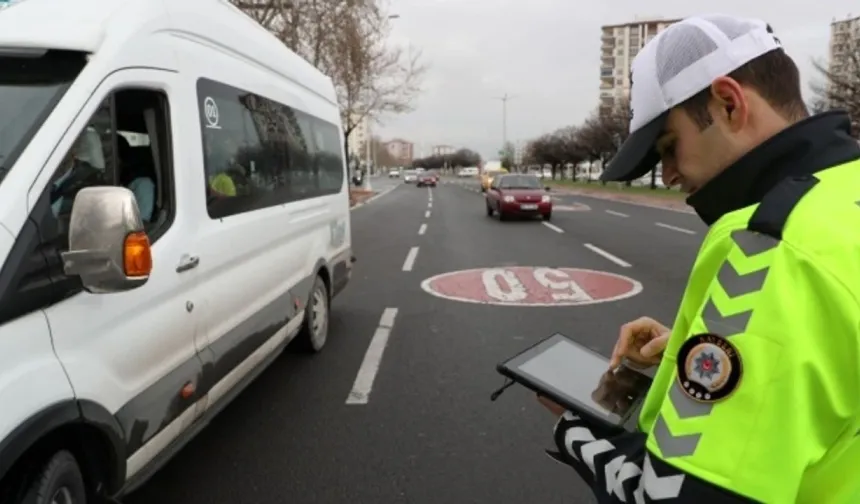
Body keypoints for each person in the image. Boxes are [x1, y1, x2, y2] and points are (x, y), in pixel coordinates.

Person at [538, 14, 860, 504]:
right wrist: (702, 346)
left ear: (728, 103)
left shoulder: (769, 245)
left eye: (669, 147)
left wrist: (572, 427)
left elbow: (668, 497)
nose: (667, 175)